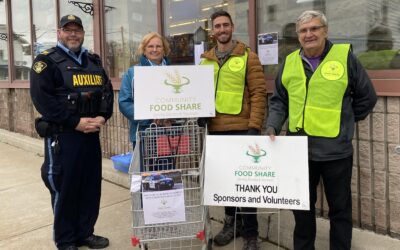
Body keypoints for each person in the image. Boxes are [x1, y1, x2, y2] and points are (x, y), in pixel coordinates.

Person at [266, 10, 377, 250]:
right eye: (304, 31)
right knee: (302, 209)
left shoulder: (344, 57)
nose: (309, 34)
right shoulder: (289, 62)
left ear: (325, 31)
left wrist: (344, 123)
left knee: (340, 210)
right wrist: (273, 124)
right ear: (298, 36)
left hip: (335, 152)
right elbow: (279, 100)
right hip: (299, 151)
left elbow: (367, 97)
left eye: (314, 29)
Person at [30, 14, 113, 250]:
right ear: (59, 33)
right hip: (63, 137)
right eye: (68, 30)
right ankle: (66, 239)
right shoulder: (46, 62)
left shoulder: (93, 61)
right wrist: (74, 121)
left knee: (90, 186)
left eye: (77, 30)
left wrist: (102, 116)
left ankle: (85, 233)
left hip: (90, 136)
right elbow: (42, 100)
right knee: (65, 187)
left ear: (83, 33)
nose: (73, 34)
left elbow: (106, 92)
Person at [200, 10, 267, 250]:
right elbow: (201, 94)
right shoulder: (205, 60)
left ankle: (251, 233)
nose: (221, 29)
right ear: (213, 30)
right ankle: (232, 223)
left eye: (225, 25)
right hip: (216, 130)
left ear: (232, 26)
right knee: (226, 183)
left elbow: (259, 93)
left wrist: (254, 127)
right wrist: (200, 113)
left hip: (242, 130)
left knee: (245, 185)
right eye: (217, 26)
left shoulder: (248, 56)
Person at [119, 32, 171, 150]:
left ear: (164, 49)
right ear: (144, 50)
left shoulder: (174, 72)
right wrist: (150, 117)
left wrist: (172, 117)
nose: (154, 49)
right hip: (143, 133)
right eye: (150, 46)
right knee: (145, 168)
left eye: (158, 46)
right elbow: (124, 103)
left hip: (168, 132)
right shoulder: (132, 73)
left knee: (168, 168)